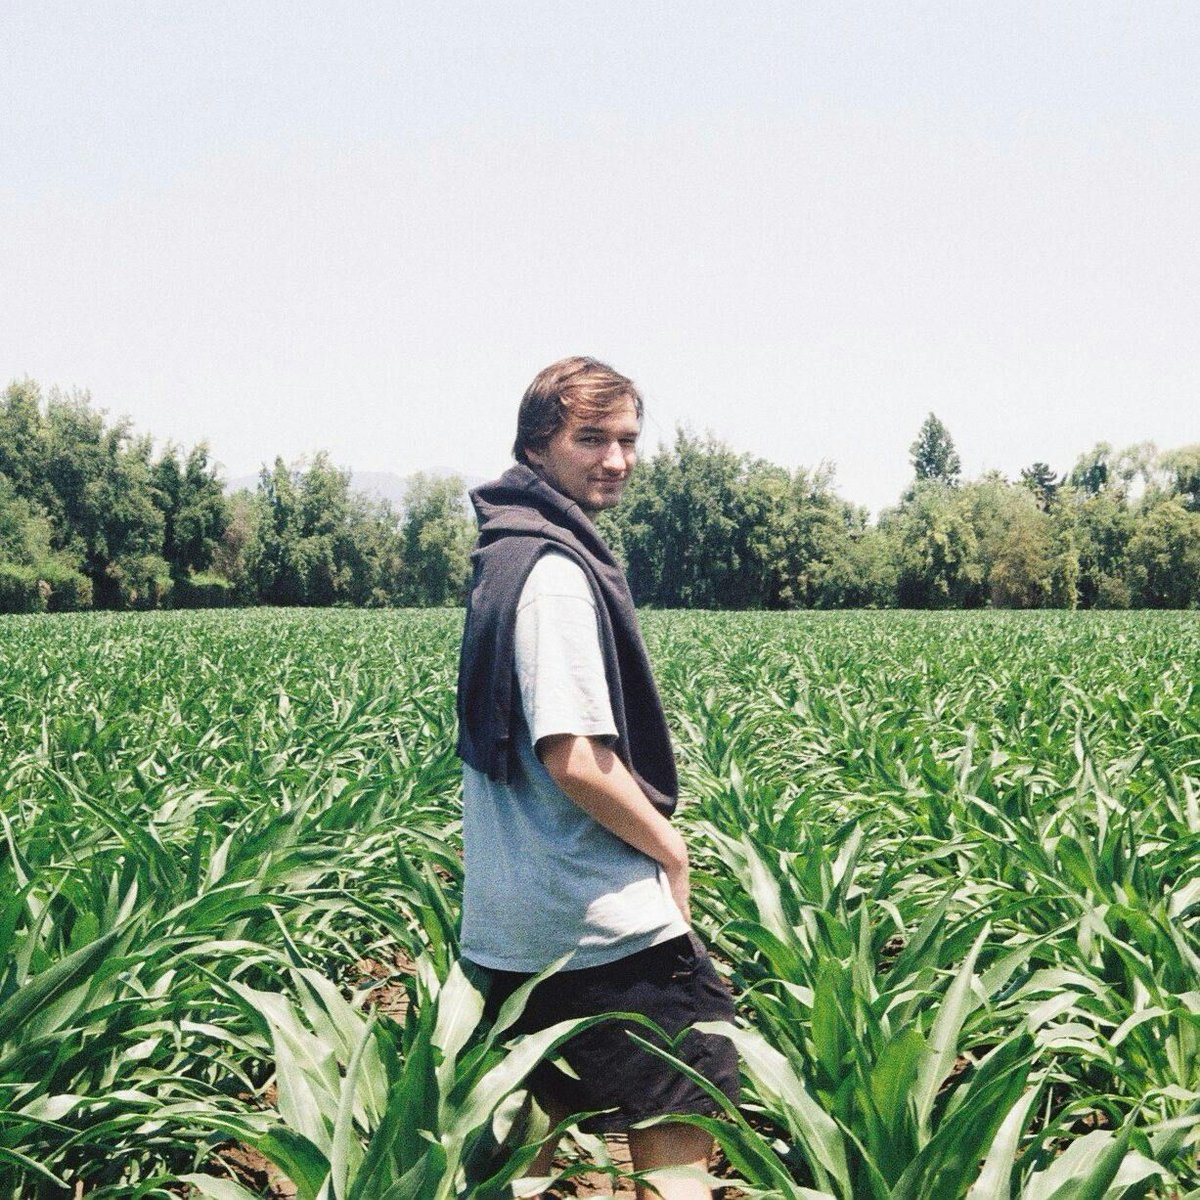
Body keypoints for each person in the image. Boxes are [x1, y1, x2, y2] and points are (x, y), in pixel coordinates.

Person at [456, 356, 738, 1200]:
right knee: (683, 1128)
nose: (615, 459)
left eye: (627, 441)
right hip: (599, 924)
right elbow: (572, 755)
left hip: (513, 927)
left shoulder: (504, 553)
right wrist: (670, 850)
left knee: (526, 1156)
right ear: (537, 445)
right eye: (591, 439)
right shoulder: (554, 576)